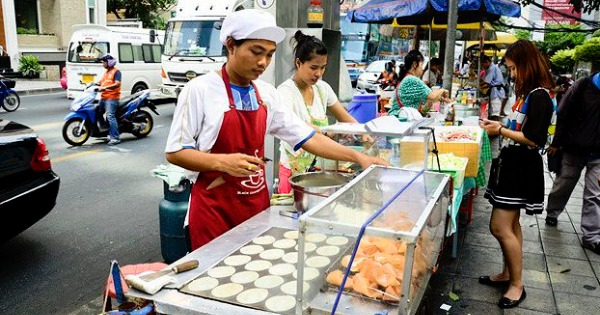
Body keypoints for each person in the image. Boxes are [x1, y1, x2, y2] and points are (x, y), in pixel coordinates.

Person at [164, 9, 388, 251]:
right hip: (213, 211)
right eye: (256, 52)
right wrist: (222, 163)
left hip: (255, 206)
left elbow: (308, 137)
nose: (263, 62)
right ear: (231, 45)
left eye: (270, 55)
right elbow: (176, 151)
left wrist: (359, 157)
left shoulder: (266, 94)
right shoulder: (200, 90)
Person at [478, 39, 555, 309]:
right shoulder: (527, 93)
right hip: (513, 163)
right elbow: (517, 126)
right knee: (512, 225)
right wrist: (497, 124)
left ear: (526, 64)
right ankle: (509, 274)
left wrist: (498, 131)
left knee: (498, 226)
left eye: (513, 68)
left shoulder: (540, 95)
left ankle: (517, 285)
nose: (511, 74)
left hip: (522, 168)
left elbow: (533, 139)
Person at [277, 30, 374, 194]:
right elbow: (298, 127)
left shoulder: (323, 88)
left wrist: (364, 133)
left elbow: (345, 118)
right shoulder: (285, 91)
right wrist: (324, 131)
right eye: (313, 67)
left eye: (322, 68)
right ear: (298, 63)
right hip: (294, 173)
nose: (318, 74)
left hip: (318, 169)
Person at [544, 71, 600, 255]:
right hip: (574, 148)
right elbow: (563, 113)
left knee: (594, 195)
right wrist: (557, 143)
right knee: (564, 184)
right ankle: (552, 212)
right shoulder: (583, 85)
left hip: (598, 154)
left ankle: (591, 237)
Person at [387, 50, 450, 118]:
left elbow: (422, 110)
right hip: (399, 121)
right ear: (415, 65)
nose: (422, 69)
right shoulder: (411, 80)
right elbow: (433, 96)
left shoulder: (407, 78)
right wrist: (442, 90)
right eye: (421, 65)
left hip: (400, 119)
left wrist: (429, 104)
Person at [96, 53, 122, 146]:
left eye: (104, 62)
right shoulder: (106, 72)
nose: (103, 64)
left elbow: (117, 84)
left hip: (112, 98)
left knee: (110, 115)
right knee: (97, 112)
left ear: (109, 62)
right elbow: (101, 82)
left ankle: (115, 137)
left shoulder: (116, 72)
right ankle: (105, 129)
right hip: (104, 97)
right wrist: (93, 84)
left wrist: (104, 88)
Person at [480, 55, 506, 119]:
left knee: (495, 113)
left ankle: (495, 126)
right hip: (495, 91)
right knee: (493, 111)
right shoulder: (490, 68)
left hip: (496, 92)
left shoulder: (492, 68)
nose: (482, 67)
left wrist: (479, 85)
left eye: (483, 64)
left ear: (487, 62)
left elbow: (486, 82)